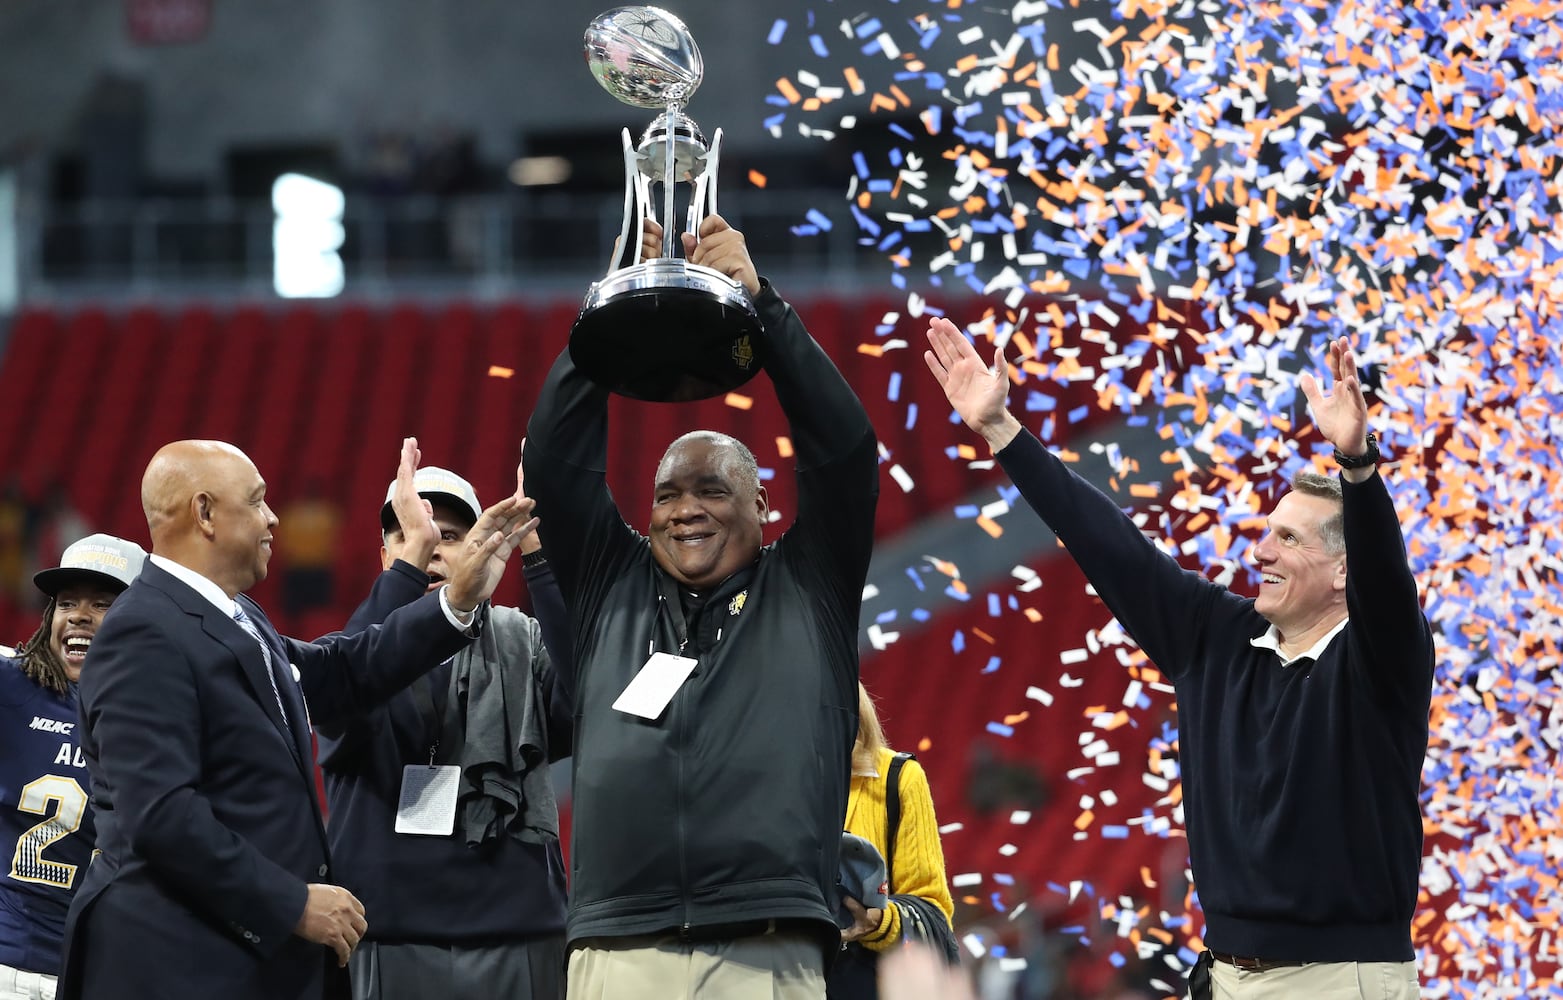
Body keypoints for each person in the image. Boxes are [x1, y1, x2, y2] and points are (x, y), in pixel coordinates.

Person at [924, 321, 1432, 999]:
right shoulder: (1214, 638)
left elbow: (1388, 586)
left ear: (1344, 570)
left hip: (1340, 980)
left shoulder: (1381, 662)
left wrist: (1357, 467)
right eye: (1262, 535)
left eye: (1286, 539)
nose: (1260, 553)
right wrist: (1001, 432)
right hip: (1220, 973)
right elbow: (1107, 543)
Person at [524, 214, 879, 998]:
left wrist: (766, 309)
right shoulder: (609, 584)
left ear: (762, 505)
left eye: (711, 490)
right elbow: (552, 460)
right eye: (666, 494)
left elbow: (845, 453)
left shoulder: (809, 584)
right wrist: (612, 304)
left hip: (766, 940)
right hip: (617, 942)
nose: (685, 509)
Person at [59, 437, 536, 1000]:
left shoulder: (236, 615)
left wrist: (453, 600)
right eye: (258, 501)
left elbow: (341, 674)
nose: (273, 517)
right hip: (174, 961)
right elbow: (162, 816)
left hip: (236, 958)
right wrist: (293, 902)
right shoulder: (143, 630)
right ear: (205, 513)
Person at [316, 462, 573, 1000]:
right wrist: (404, 583)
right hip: (386, 940)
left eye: (449, 537)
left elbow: (586, 702)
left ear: (483, 548)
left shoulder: (522, 642)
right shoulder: (340, 654)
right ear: (384, 557)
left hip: (519, 937)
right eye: (409, 537)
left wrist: (541, 561)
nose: (431, 549)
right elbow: (346, 691)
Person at [1, 533, 146, 1000]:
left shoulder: (162, 715)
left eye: (103, 604)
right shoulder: (10, 687)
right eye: (66, 603)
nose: (79, 615)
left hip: (98, 970)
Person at [831, 682, 956, 999]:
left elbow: (932, 910)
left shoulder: (898, 777)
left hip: (866, 980)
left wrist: (879, 920)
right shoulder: (761, 785)